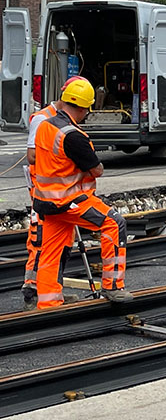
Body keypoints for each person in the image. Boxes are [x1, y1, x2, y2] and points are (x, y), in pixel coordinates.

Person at [32, 77, 132, 308]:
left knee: (52, 252)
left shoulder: (45, 125)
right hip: (70, 200)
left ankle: (48, 303)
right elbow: (96, 169)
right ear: (84, 107)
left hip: (46, 201)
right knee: (114, 224)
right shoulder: (73, 136)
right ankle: (113, 286)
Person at [21, 76, 84, 309]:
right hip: (44, 191)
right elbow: (32, 156)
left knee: (61, 242)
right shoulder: (43, 119)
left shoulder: (64, 120)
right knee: (41, 241)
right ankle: (34, 288)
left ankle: (50, 289)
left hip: (60, 191)